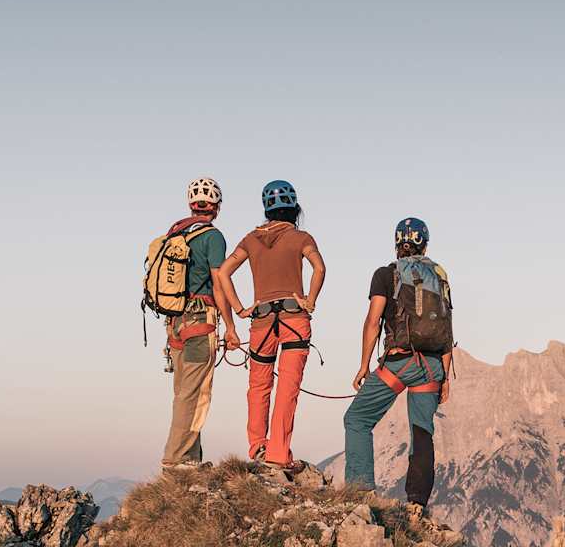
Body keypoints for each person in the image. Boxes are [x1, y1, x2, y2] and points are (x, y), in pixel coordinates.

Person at [213, 180, 326, 474]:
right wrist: (309, 300)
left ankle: (258, 447)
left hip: (261, 321)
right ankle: (278, 453)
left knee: (258, 386)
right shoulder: (301, 237)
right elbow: (319, 268)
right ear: (294, 208)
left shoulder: (251, 240)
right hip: (293, 319)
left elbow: (224, 273)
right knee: (287, 386)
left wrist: (240, 309)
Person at [343, 217, 454, 513]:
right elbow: (446, 330)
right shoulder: (439, 277)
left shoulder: (386, 274)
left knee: (358, 419)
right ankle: (416, 504)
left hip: (399, 362)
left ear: (396, 244)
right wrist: (445, 379)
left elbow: (372, 320)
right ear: (425, 244)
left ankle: (360, 489)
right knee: (422, 431)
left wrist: (364, 365)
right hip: (431, 367)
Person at [160, 178, 229, 467]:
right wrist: (232, 325)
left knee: (182, 392)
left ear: (191, 204)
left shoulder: (176, 233)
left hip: (174, 321)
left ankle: (190, 459)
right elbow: (219, 281)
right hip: (201, 320)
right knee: (194, 391)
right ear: (217, 206)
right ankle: (175, 461)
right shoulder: (213, 237)